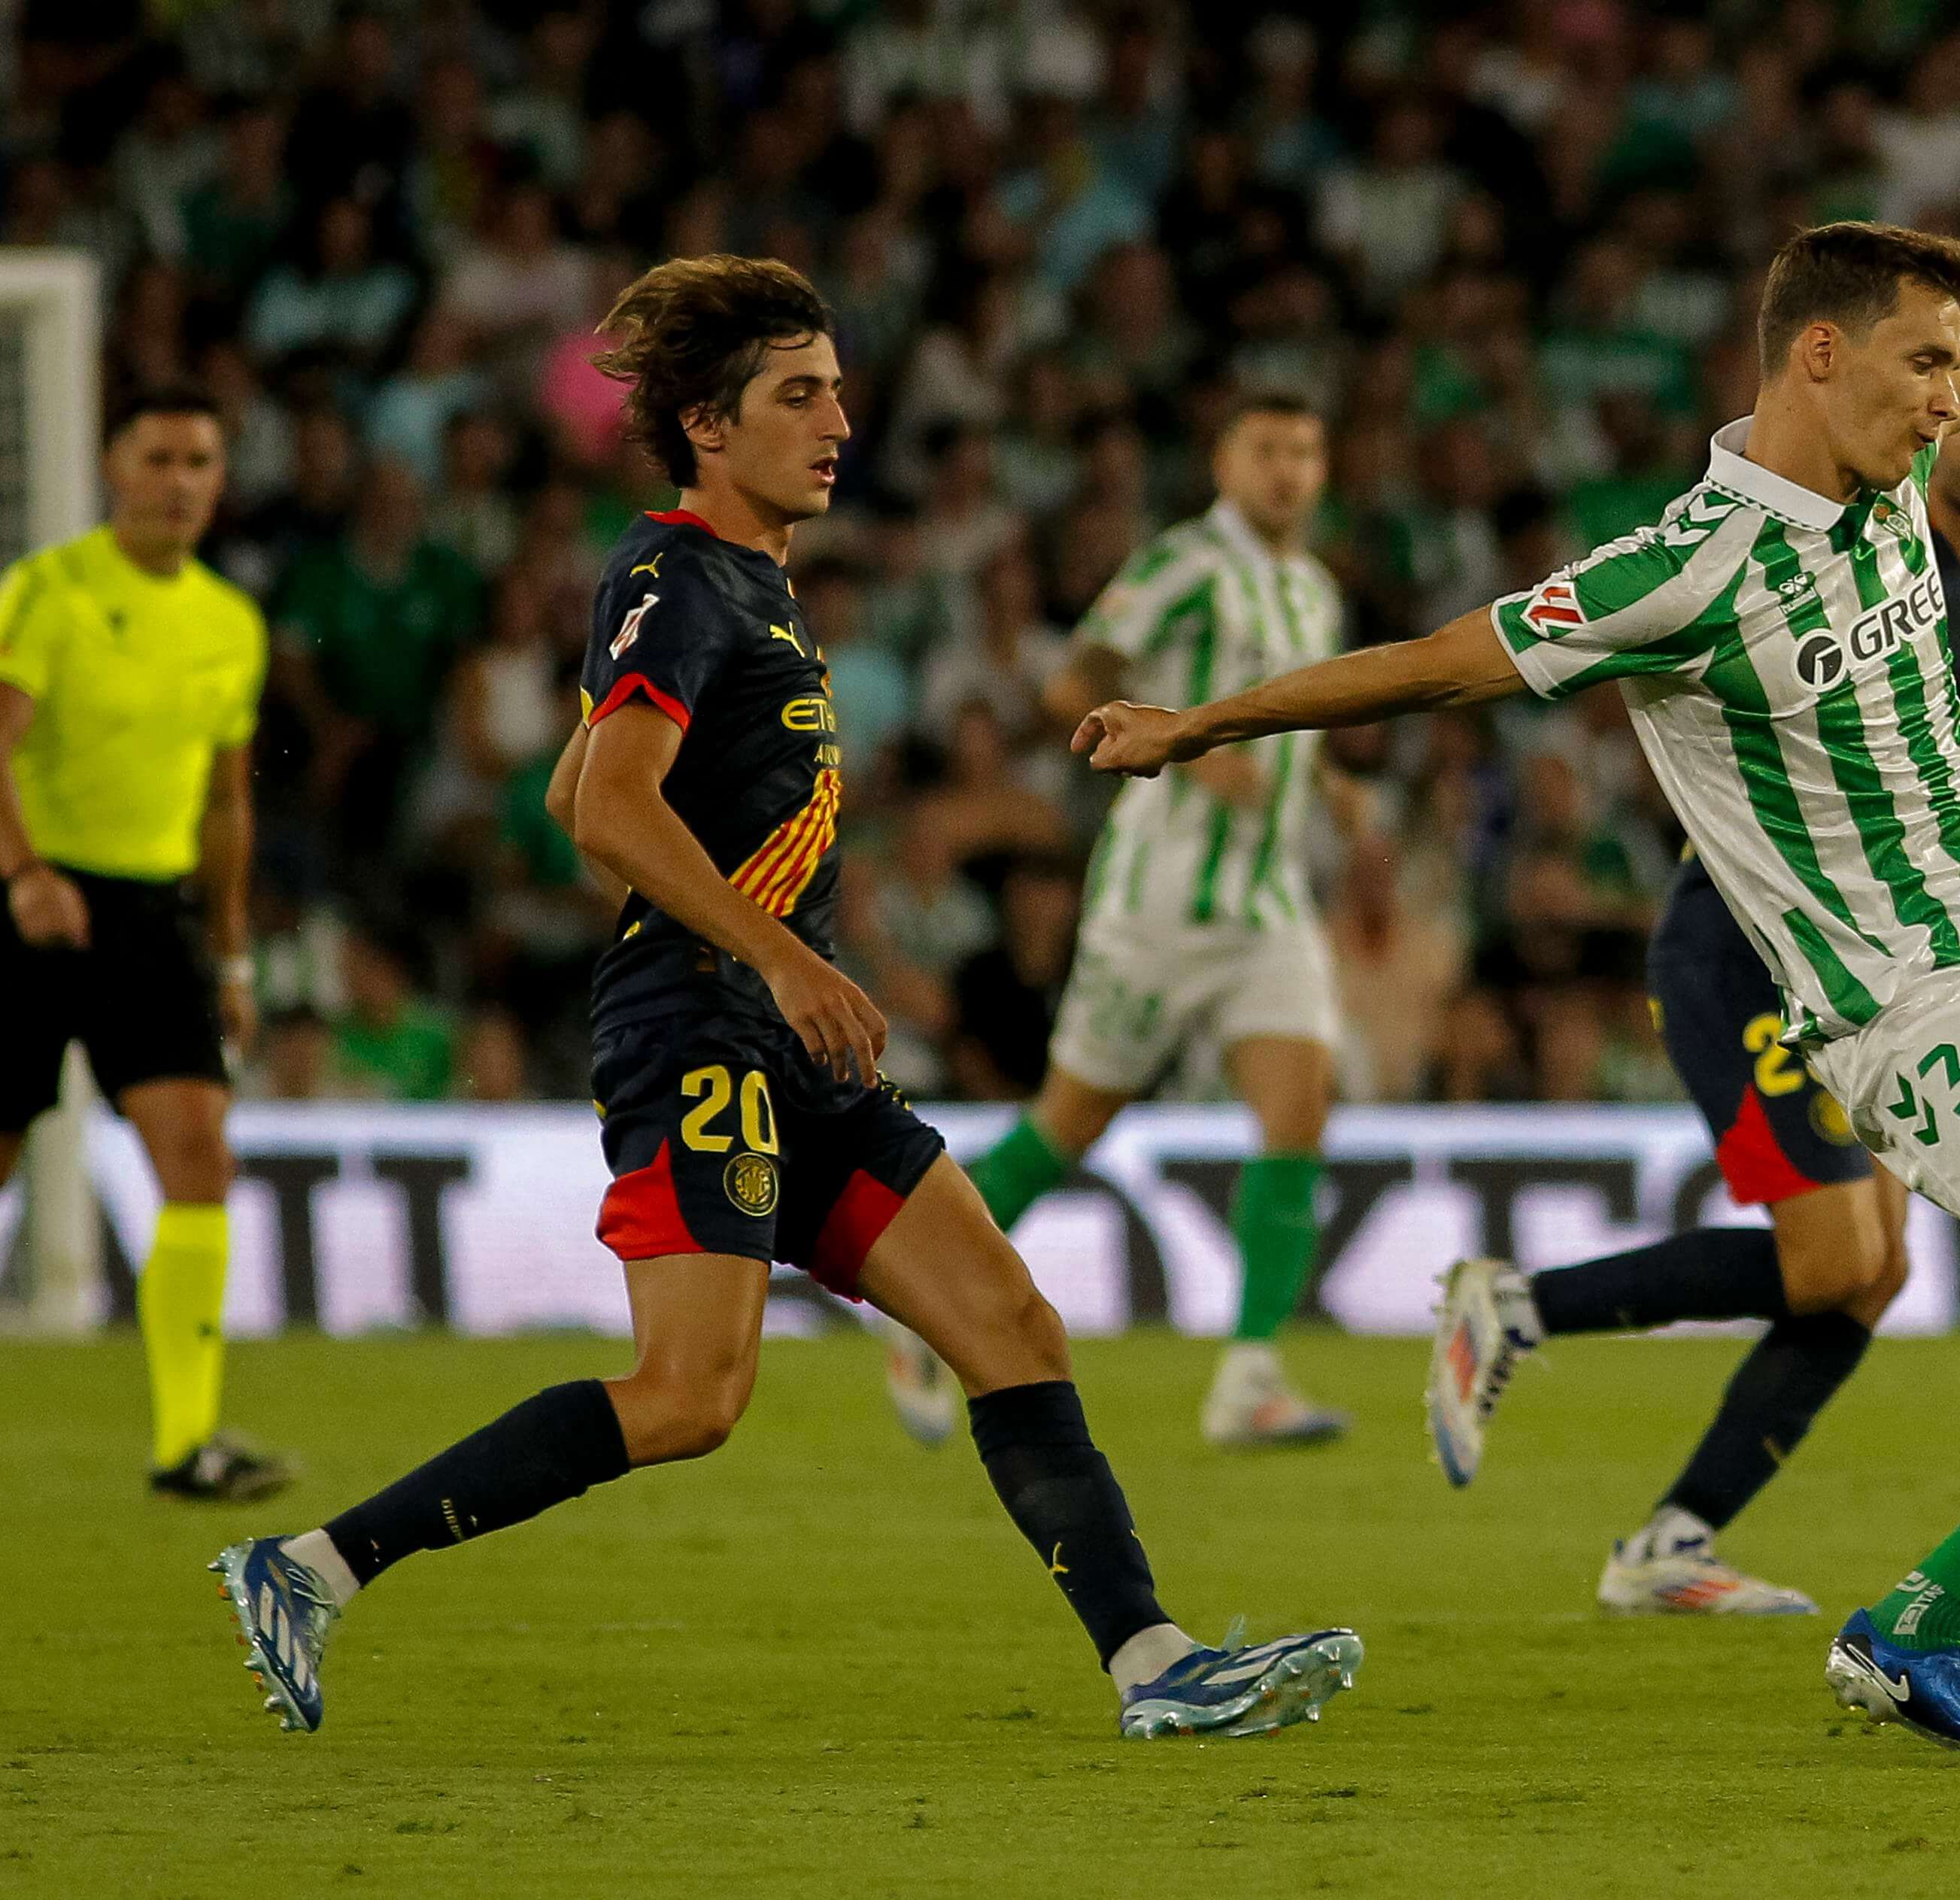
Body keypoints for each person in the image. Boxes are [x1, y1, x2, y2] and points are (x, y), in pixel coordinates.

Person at [1078, 222, 1960, 1753]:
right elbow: (1436, 660)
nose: (1949, 402)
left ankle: (1908, 1632)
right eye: (1923, 365)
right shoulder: (1683, 571)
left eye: (1955, 369)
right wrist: (1198, 725)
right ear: (1818, 356)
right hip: (1903, 1011)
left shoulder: (1893, 460)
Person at [212, 256, 1361, 1744]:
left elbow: (580, 785)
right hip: (704, 1031)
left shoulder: (747, 584)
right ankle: (311, 1566)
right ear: (708, 423)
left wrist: (762, 944)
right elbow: (607, 811)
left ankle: (1155, 1666)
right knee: (690, 1397)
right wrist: (771, 951)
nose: (838, 424)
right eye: (799, 396)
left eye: (837, 392)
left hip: (787, 1039)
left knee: (1011, 1323)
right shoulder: (678, 574)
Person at [1428, 372, 1960, 1619]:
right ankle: (1517, 1306)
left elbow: (1904, 814)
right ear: (1929, 428)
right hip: (1745, 951)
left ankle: (1672, 1541)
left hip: (1870, 965)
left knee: (1874, 1271)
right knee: (1836, 1256)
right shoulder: (1868, 562)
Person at [893, 393, 1364, 1452]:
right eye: (1266, 449)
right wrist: (1186, 744)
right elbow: (1075, 680)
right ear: (1224, 461)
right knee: (1067, 1126)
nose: (1287, 470)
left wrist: (1325, 782)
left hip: (1267, 901)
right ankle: (917, 1299)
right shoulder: (1185, 564)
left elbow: (1286, 720)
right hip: (1158, 901)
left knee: (1299, 1113)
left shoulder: (1314, 589)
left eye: (1304, 450)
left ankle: (1248, 1378)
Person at [0, 386, 284, 1501]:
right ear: (114, 467)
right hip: (31, 903)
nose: (179, 482)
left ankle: (188, 1443)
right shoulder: (51, 589)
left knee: (200, 1155)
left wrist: (232, 955)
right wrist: (23, 874)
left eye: (199, 461)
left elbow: (227, 805)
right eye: (159, 458)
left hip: (152, 919)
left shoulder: (230, 621)